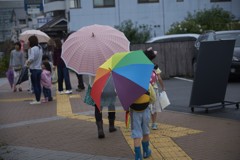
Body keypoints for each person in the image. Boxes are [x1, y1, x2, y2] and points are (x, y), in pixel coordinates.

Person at [129, 83, 156, 160]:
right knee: (145, 132)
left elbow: (126, 100)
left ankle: (138, 157)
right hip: (145, 110)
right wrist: (147, 103)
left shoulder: (129, 85)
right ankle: (146, 152)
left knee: (136, 133)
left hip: (134, 112)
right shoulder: (147, 83)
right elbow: (153, 98)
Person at [144, 47, 165, 130]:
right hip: (154, 89)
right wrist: (163, 87)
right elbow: (159, 78)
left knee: (146, 106)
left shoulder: (143, 66)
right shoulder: (155, 67)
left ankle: (145, 124)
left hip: (145, 89)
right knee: (154, 106)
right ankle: (154, 124)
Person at [25, 35, 43, 104]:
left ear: (31, 41)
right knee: (38, 85)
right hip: (39, 69)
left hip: (34, 69)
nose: (28, 42)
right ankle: (38, 99)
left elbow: (31, 58)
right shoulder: (40, 48)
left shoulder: (32, 49)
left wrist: (27, 62)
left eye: (29, 41)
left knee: (35, 85)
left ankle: (37, 100)